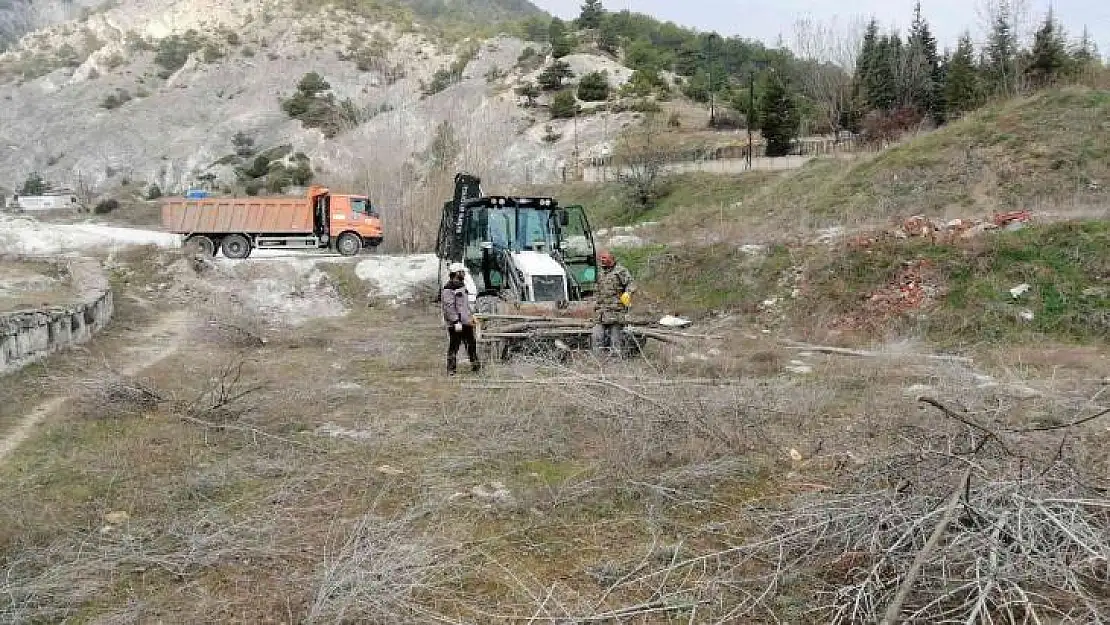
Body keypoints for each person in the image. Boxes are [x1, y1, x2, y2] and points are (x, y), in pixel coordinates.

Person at [592, 250, 635, 357]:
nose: (602, 260)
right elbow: (597, 290)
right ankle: (598, 361)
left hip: (616, 312)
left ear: (611, 259)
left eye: (604, 258)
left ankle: (616, 362)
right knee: (597, 336)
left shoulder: (620, 271)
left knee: (615, 339)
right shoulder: (601, 273)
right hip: (601, 313)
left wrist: (628, 293)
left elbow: (631, 284)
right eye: (601, 258)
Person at [441, 262, 480, 376]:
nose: (464, 274)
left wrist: (471, 316)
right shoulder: (448, 289)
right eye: (462, 272)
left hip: (466, 321)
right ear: (457, 273)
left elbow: (465, 305)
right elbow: (449, 307)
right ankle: (451, 370)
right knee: (454, 345)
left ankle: (476, 366)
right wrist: (455, 321)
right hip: (456, 324)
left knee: (471, 344)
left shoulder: (461, 286)